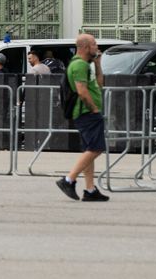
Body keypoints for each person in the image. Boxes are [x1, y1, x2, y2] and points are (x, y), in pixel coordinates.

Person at [56, 33, 109, 202]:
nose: (97, 47)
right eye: (94, 45)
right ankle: (68, 179)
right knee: (96, 148)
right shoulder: (79, 65)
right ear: (86, 47)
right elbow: (82, 90)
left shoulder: (87, 64)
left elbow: (100, 84)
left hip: (87, 111)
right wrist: (93, 109)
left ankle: (90, 190)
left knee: (89, 150)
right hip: (86, 112)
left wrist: (98, 64)